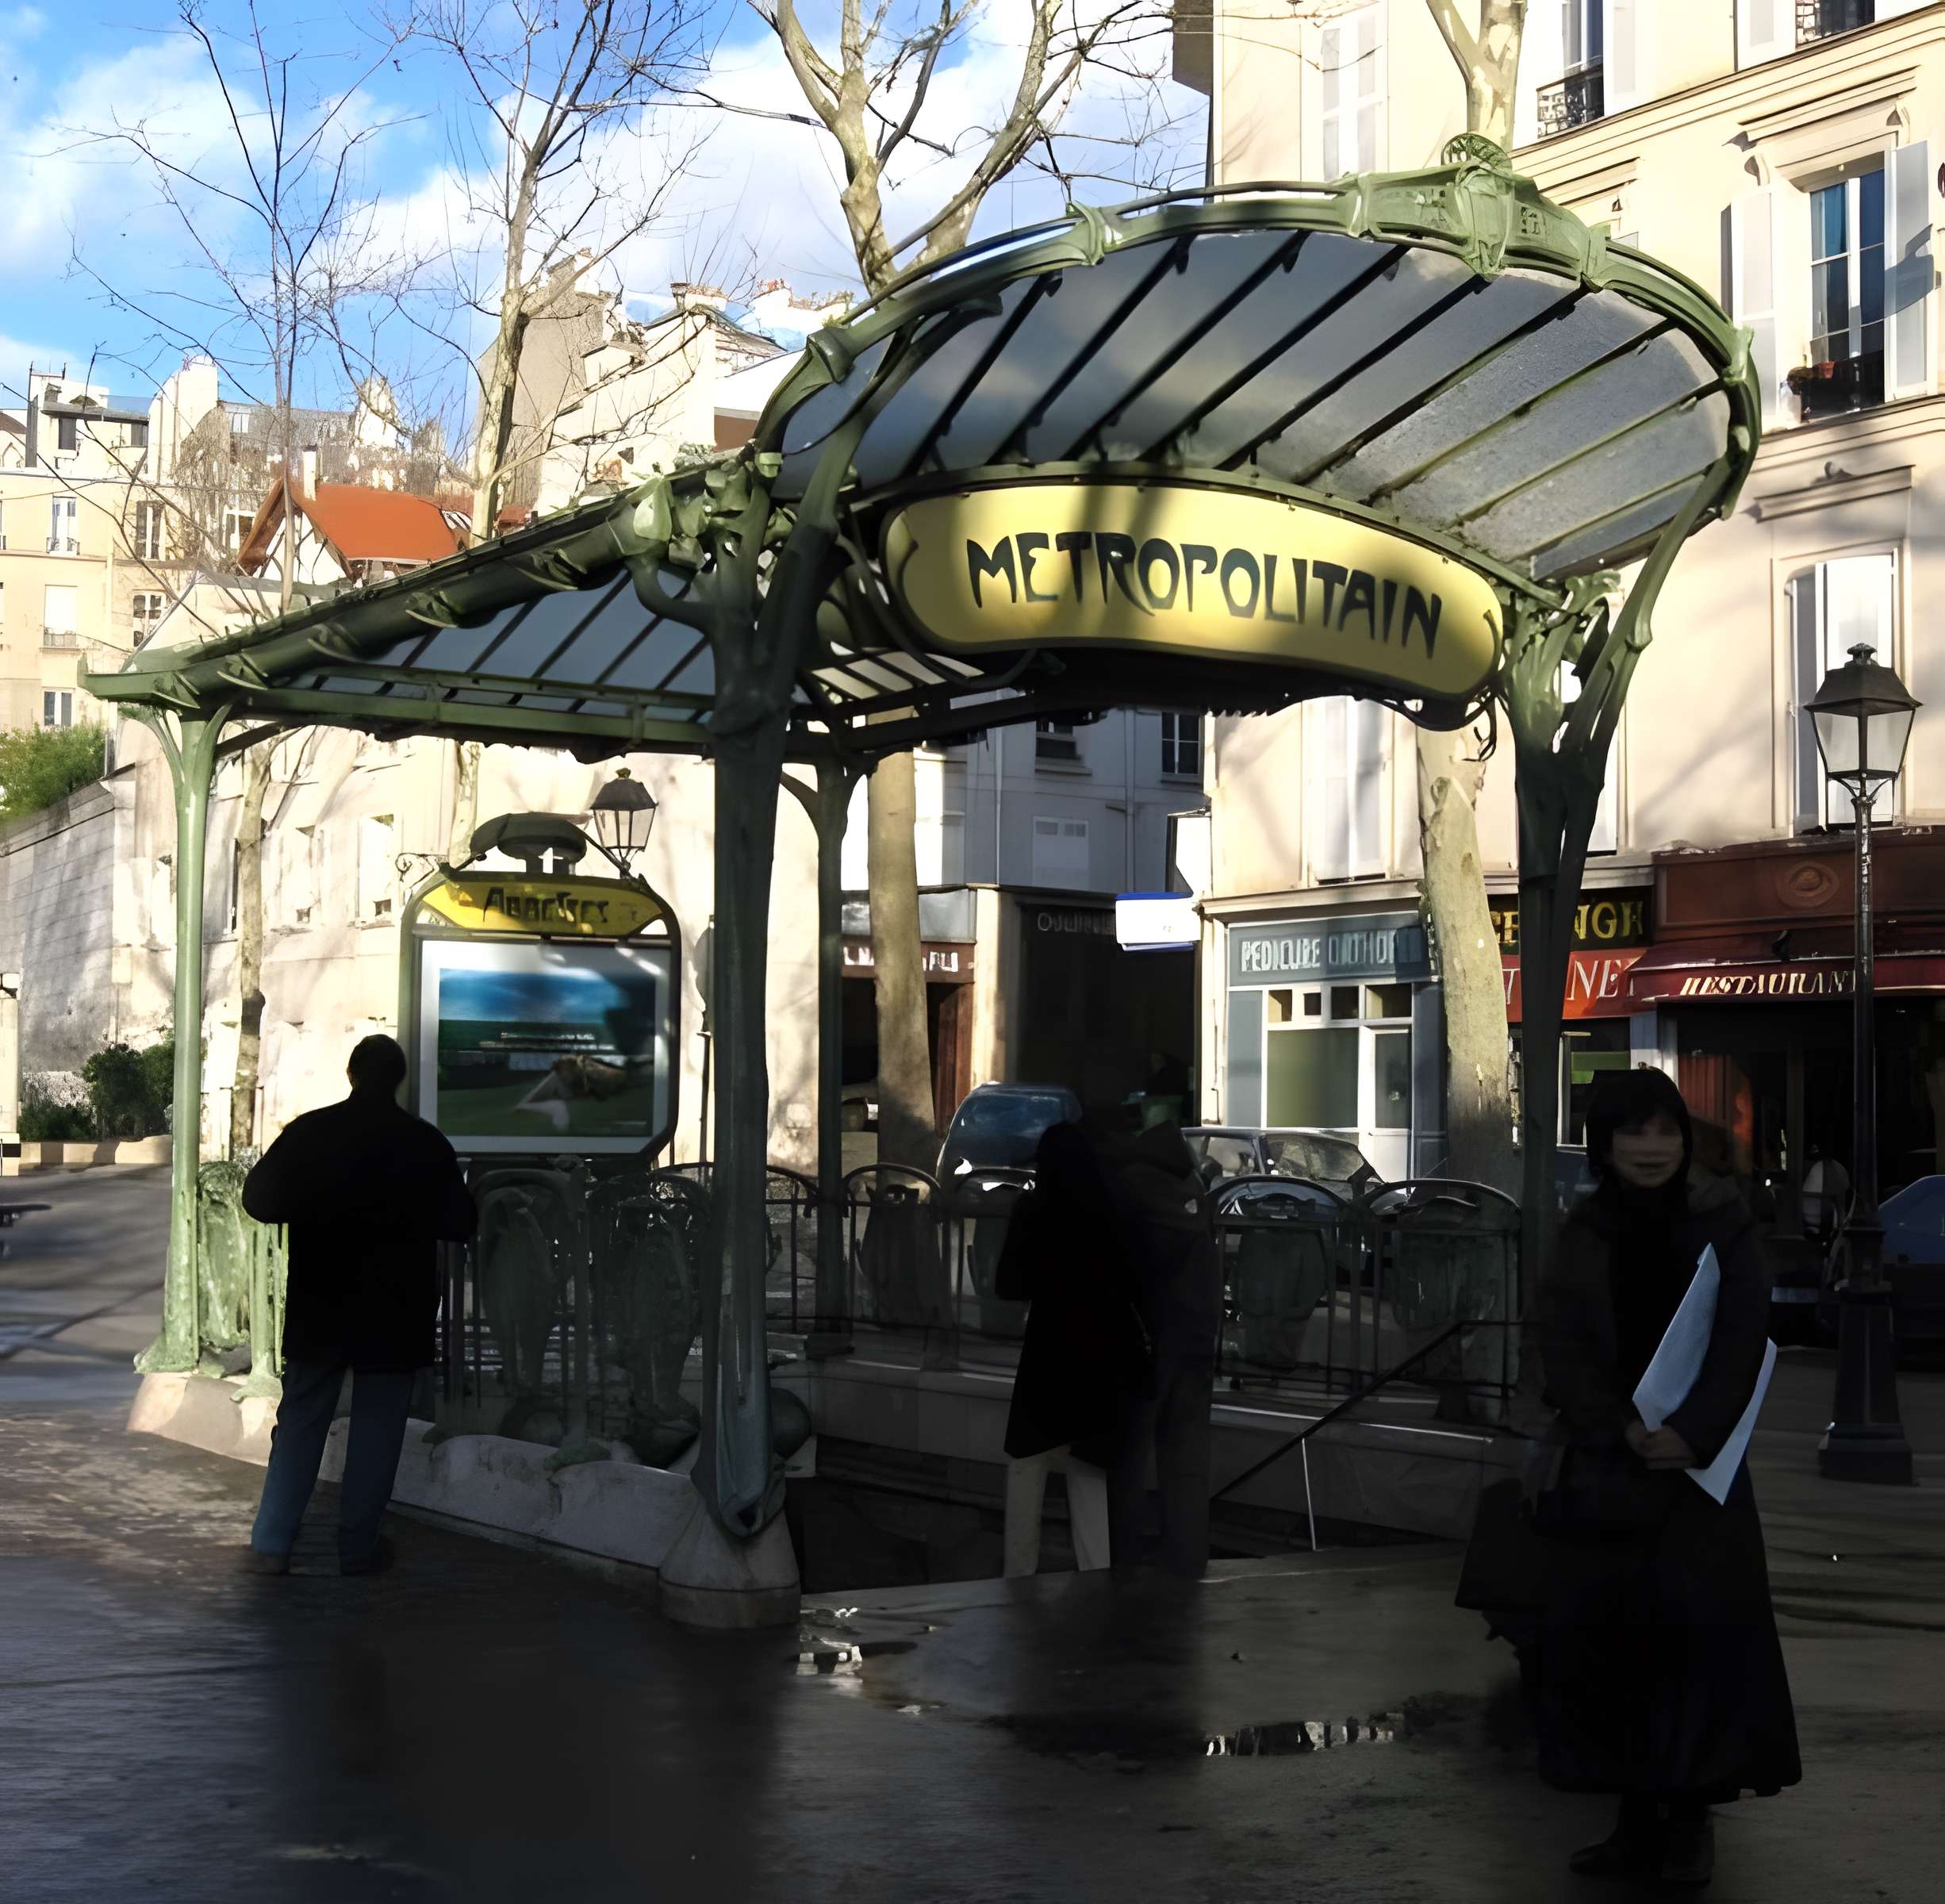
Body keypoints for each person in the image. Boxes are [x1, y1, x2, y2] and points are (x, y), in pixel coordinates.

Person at [1524, 1067, 1801, 1886]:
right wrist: (1617, 1426)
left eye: (1665, 1131)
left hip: (1697, 1481)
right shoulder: (1584, 1231)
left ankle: (1686, 1830)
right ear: (1604, 1144)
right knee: (1614, 1656)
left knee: (1696, 1656)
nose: (1651, 1149)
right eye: (1632, 1133)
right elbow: (1560, 1340)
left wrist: (1692, 1432)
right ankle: (1632, 1822)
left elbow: (1744, 1335)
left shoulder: (1723, 1220)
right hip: (1611, 1470)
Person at [240, 1035, 476, 1576]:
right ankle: (358, 1546)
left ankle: (272, 1544)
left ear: (351, 1074)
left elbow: (259, 1200)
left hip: (318, 1304)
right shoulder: (424, 1143)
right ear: (398, 1079)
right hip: (397, 1310)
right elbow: (461, 1222)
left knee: (300, 1420)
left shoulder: (309, 1132)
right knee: (378, 1429)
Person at [995, 1121, 1148, 1576]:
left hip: (1048, 1354)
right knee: (1088, 1472)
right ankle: (1095, 1578)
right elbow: (1136, 1285)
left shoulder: (1034, 1209)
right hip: (1101, 1357)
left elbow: (1008, 1284)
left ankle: (1017, 1578)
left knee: (1027, 1466)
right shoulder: (1112, 1211)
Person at [1100, 1119, 1223, 1580]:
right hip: (1197, 1335)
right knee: (1188, 1451)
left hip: (1150, 1339)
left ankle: (1122, 1553)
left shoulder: (1132, 1187)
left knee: (1129, 1455)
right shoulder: (1193, 1186)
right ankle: (1188, 1552)